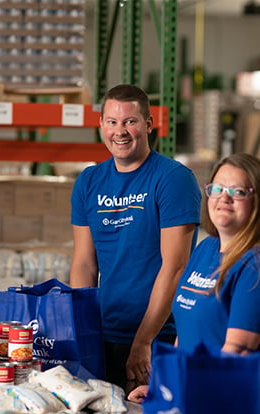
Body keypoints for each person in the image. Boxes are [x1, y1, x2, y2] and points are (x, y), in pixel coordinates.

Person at [129, 152, 260, 414]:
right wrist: (164, 388)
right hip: (205, 406)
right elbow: (187, 334)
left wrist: (178, 396)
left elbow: (235, 354)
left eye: (238, 192)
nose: (224, 198)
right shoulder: (206, 249)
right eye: (217, 189)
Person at [69, 84, 201, 392]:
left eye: (130, 121)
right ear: (101, 125)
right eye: (112, 122)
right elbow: (84, 264)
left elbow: (176, 266)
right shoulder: (88, 182)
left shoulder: (172, 179)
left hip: (160, 336)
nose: (120, 131)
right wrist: (80, 331)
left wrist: (144, 341)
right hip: (103, 334)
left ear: (148, 125)